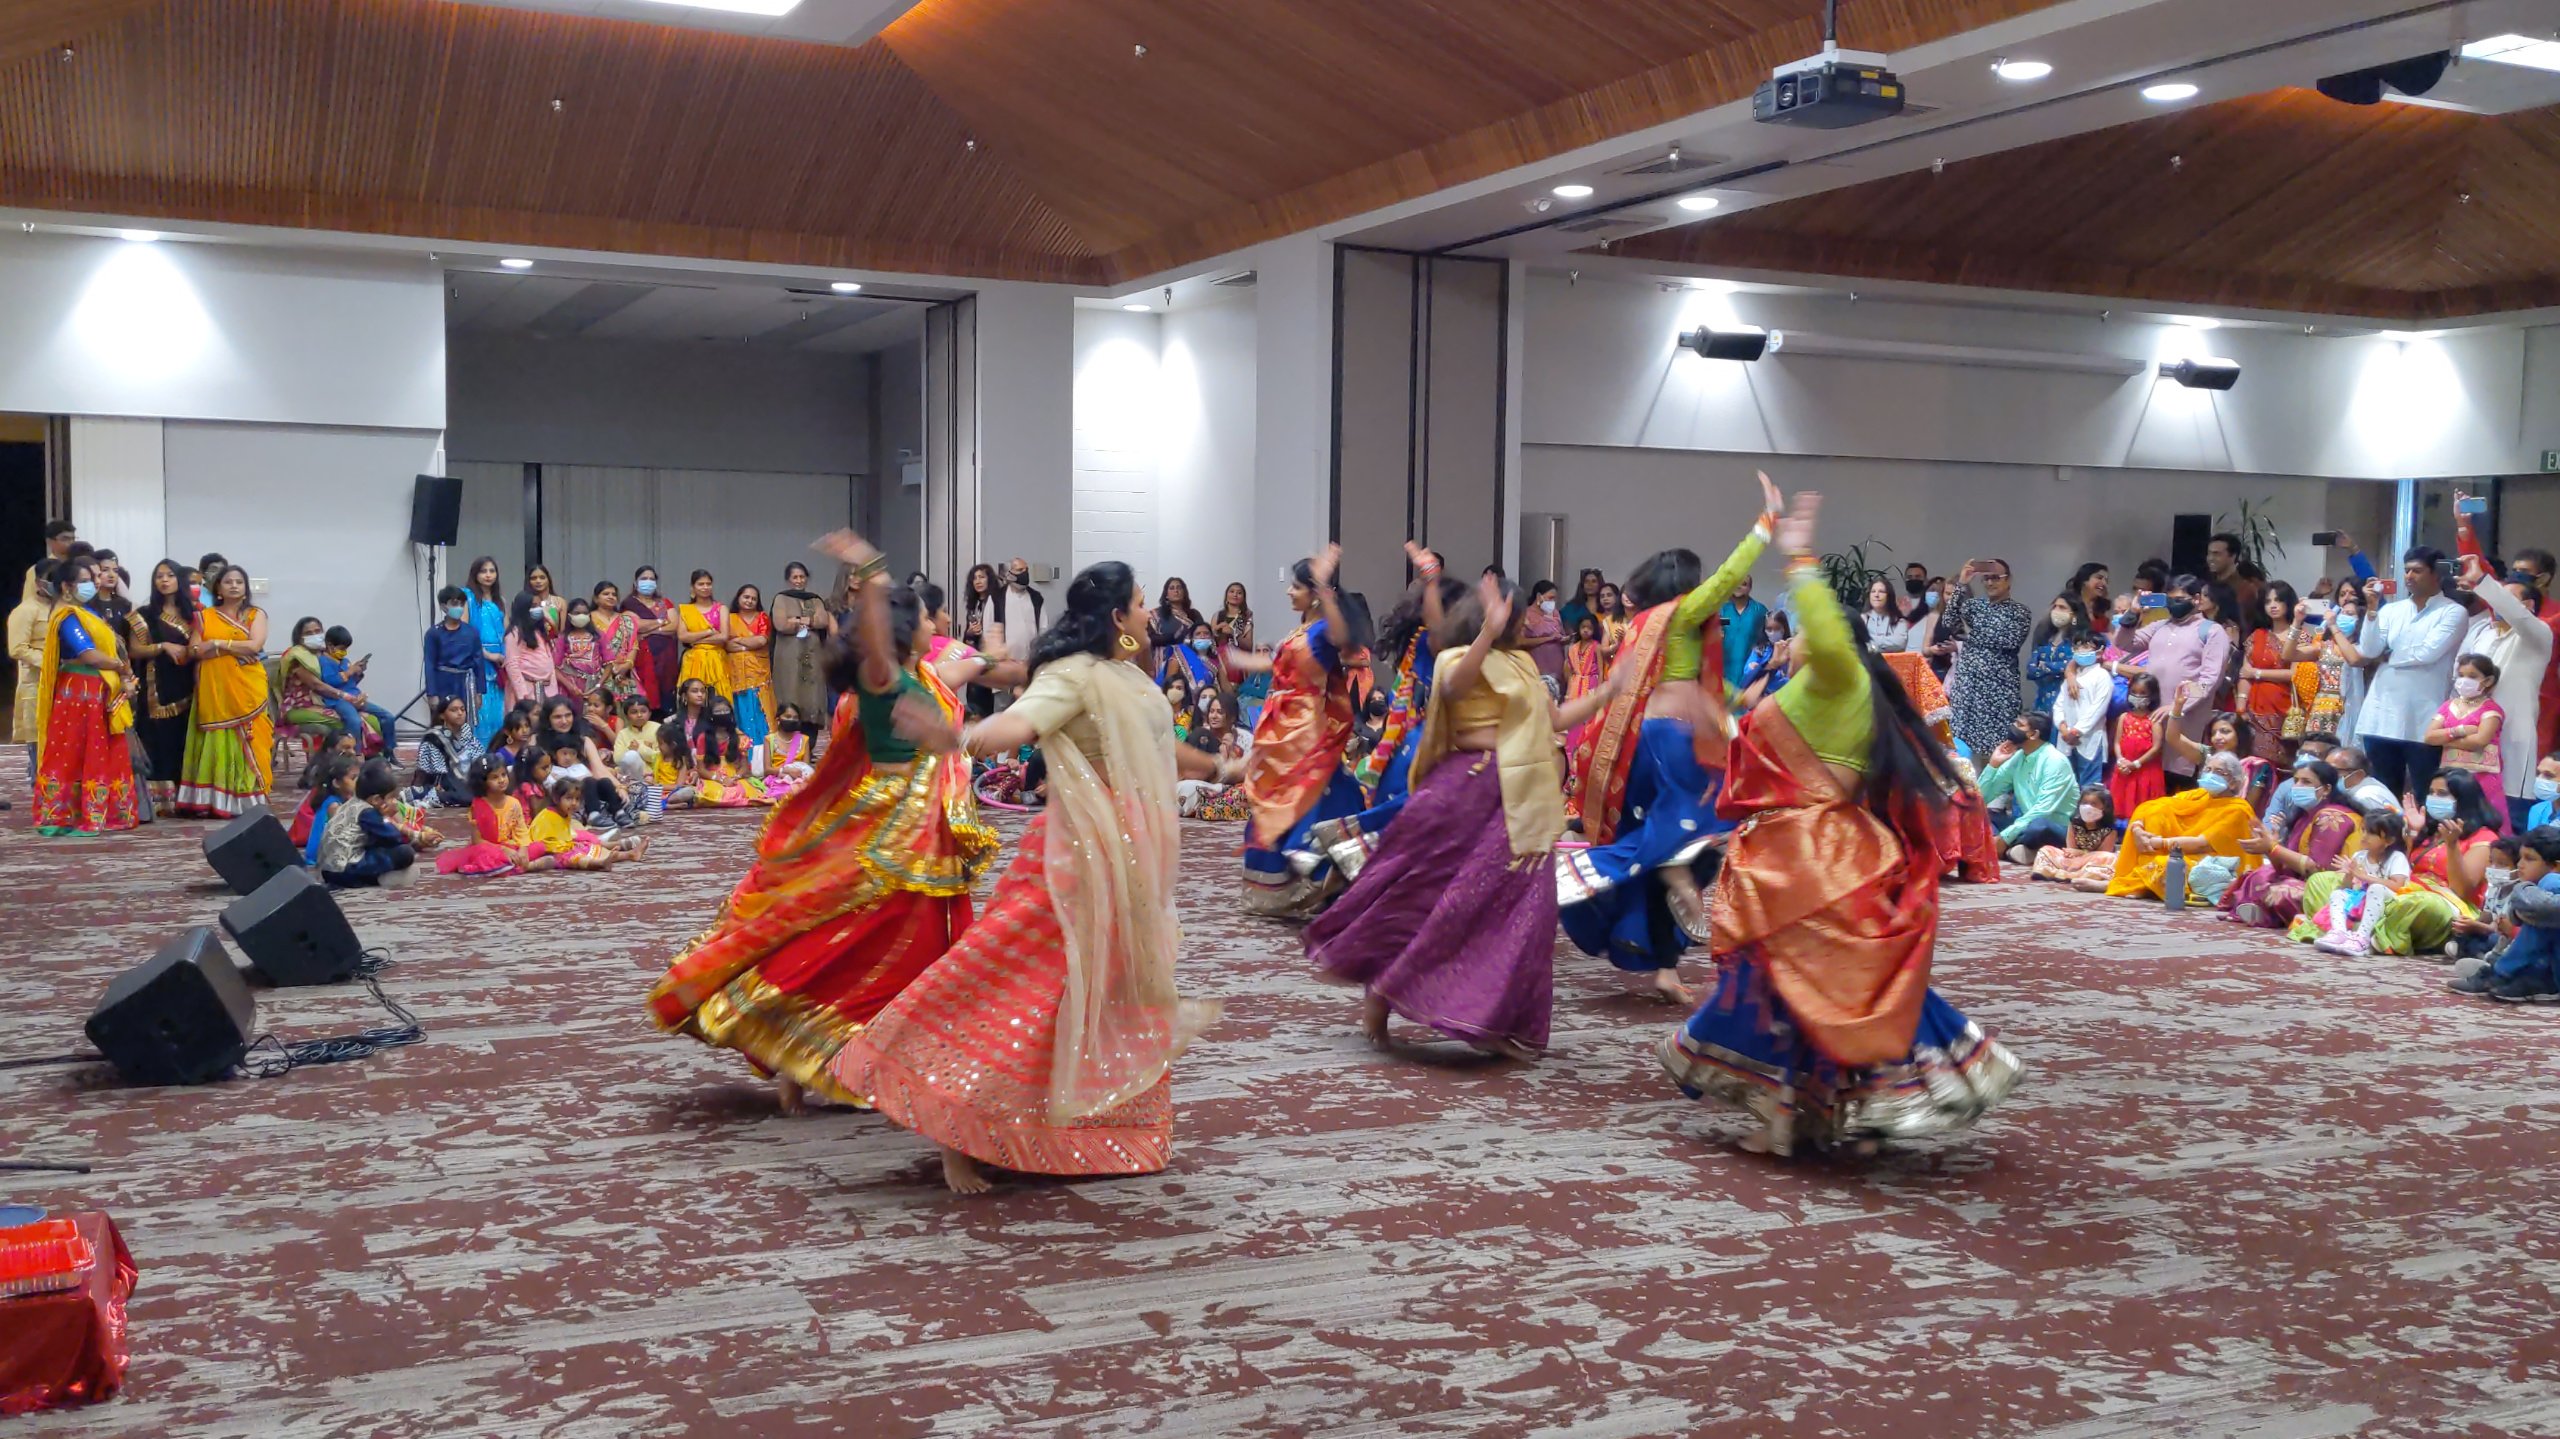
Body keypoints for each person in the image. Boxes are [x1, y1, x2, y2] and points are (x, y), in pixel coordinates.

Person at [830, 559, 1232, 1194]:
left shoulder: (1127, 675)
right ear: (1116, 617)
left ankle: (1076, 1127)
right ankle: (951, 1125)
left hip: (1128, 859)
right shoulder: (1072, 676)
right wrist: (957, 735)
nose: (1147, 614)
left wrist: (1221, 771)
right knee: (1015, 979)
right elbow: (1018, 726)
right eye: (1138, 603)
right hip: (1073, 855)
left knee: (1106, 990)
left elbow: (1156, 746)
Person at [1658, 490, 2020, 1157]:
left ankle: (1788, 1116)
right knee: (1820, 981)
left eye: (1795, 632)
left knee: (1786, 983)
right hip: (1813, 851)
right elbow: (1754, 738)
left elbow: (1824, 638)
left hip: (1810, 854)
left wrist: (1800, 554)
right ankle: (1828, 1112)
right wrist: (1707, 704)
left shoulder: (1837, 674)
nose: (1790, 640)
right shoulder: (1814, 691)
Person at [653, 538, 1002, 1112]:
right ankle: (798, 1042)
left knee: (888, 939)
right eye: (924, 620)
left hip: (917, 822)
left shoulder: (919, 674)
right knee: (874, 940)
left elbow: (956, 671)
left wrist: (995, 662)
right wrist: (865, 562)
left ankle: (830, 1055)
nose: (934, 625)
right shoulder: (884, 679)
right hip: (893, 826)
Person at [1306, 572, 1621, 1061]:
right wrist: (1488, 634)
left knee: (1524, 910)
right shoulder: (1460, 655)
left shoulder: (1521, 664)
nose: (1520, 625)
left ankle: (1491, 1016)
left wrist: (1607, 692)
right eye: (1513, 617)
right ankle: (1386, 993)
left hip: (1520, 799)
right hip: (1465, 790)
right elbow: (1451, 689)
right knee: (1437, 900)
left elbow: (1553, 721)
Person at [1562, 472, 1783, 1004]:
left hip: (1647, 742)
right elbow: (1730, 578)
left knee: (1674, 843)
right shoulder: (1683, 612)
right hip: (1676, 742)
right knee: (1702, 826)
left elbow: (1694, 680)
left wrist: (1741, 696)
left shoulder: (1646, 623)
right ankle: (1653, 868)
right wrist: (1765, 523)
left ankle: (1663, 967)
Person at [1231, 546, 1370, 919]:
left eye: (1295, 587)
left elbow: (1343, 639)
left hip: (1307, 727)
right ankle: (1309, 882)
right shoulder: (1302, 630)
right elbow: (1280, 665)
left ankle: (1318, 875)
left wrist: (1326, 588)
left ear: (1313, 593)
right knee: (1295, 794)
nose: (1288, 592)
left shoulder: (1325, 628)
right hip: (1283, 724)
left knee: (1307, 795)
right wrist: (1246, 661)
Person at [30, 558, 141, 835]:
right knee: (76, 750)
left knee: (102, 748)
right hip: (80, 694)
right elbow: (87, 654)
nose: (93, 583)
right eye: (85, 580)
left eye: (93, 578)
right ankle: (69, 815)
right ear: (67, 587)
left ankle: (106, 811)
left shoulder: (86, 613)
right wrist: (119, 666)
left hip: (97, 692)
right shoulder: (68, 616)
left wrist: (121, 671)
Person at [2356, 549, 2467, 802]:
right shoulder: (2390, 610)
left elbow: (2427, 653)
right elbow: (2369, 649)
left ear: (2435, 573)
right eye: (2406, 570)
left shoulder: (2453, 612)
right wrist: (2372, 610)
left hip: (2423, 719)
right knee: (2383, 794)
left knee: (2425, 792)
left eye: (2417, 570)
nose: (2409, 576)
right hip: (2380, 715)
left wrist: (2387, 655)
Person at [2453, 555, 2553, 832]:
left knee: (2511, 822)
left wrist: (2483, 581)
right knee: (2466, 816)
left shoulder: (2538, 635)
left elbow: (2516, 615)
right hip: (2470, 739)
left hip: (2510, 739)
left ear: (2528, 606)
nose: (2497, 605)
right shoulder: (2483, 632)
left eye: (2505, 599)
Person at [2112, 574, 2231, 790]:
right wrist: (2134, 612)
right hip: (2152, 716)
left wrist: (2176, 707)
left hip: (2187, 718)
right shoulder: (2159, 626)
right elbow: (2123, 642)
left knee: (2180, 777)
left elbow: (2209, 680)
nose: (2173, 604)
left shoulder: (2212, 631)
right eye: (2170, 599)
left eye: (2179, 598)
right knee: (2149, 775)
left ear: (2195, 599)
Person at [176, 564, 273, 817]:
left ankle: (248, 798)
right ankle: (216, 800)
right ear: (218, 588)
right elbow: (193, 650)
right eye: (228, 581)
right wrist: (223, 648)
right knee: (216, 739)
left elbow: (254, 646)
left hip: (247, 686)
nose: (233, 586)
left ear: (245, 588)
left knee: (250, 738)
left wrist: (217, 644)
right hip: (214, 686)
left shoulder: (255, 615)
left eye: (239, 582)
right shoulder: (205, 616)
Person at [2222, 759, 2364, 930]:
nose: (2298, 786)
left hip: (2341, 887)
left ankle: (2267, 914)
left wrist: (2273, 847)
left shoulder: (2332, 816)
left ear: (2326, 789)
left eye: (2306, 782)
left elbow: (2317, 869)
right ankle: (2264, 911)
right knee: (2259, 874)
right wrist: (2271, 849)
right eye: (2296, 780)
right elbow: (2288, 869)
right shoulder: (2304, 816)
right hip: (2309, 880)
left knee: (2283, 891)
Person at [2106, 751, 2261, 902]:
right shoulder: (2198, 796)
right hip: (2177, 852)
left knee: (2168, 866)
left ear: (2233, 782)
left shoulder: (2237, 809)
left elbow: (2201, 844)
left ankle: (2137, 885)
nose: (2210, 774)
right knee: (2157, 813)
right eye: (2207, 770)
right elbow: (2151, 807)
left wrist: (2159, 843)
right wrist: (2137, 829)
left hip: (2210, 864)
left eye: (2218, 771)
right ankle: (2138, 884)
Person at [2449, 825, 2560, 1000]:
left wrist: (2521, 889)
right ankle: (2512, 973)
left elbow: (2537, 906)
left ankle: (2502, 972)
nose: (2520, 864)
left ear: (2555, 866)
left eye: (2529, 859)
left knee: (2548, 890)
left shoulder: (2552, 879)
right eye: (2521, 858)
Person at [124, 559, 197, 812]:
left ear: (180, 579)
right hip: (157, 687)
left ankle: (186, 799)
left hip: (189, 683)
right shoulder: (145, 615)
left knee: (185, 738)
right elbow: (134, 650)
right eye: (159, 576)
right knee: (158, 738)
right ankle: (157, 802)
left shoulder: (194, 614)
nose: (164, 580)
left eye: (169, 575)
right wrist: (163, 646)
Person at [1946, 558, 2032, 762]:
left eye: (1996, 578)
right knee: (1961, 748)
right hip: (1968, 688)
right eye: (1986, 579)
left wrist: (1970, 634)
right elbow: (1949, 622)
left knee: (1998, 751)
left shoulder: (2019, 612)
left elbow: (2008, 640)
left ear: (2008, 580)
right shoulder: (1974, 606)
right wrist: (1962, 585)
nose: (1990, 583)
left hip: (1998, 690)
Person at [1977, 712, 2078, 864]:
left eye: (2019, 725)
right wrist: (1993, 765)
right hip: (2025, 823)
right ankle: (2019, 850)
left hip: (2056, 828)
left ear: (2033, 734)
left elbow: (2042, 810)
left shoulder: (2055, 761)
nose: (2013, 728)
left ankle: (2008, 847)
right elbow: (1982, 797)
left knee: (2038, 826)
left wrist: (2004, 838)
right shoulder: (2018, 757)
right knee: (1980, 813)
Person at [2425, 653, 2507, 828]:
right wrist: (2461, 730)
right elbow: (2429, 737)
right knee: (2449, 819)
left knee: (2482, 821)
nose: (2464, 680)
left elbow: (2479, 741)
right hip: (2450, 775)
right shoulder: (2449, 705)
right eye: (2461, 675)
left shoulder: (2491, 709)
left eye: (2472, 676)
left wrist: (2445, 739)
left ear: (2488, 680)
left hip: (2482, 776)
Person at [317, 761, 418, 888]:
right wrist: (387, 816)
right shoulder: (368, 812)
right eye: (391, 798)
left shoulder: (351, 803)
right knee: (405, 853)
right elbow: (394, 837)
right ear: (376, 800)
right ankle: (376, 879)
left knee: (379, 845)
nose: (395, 802)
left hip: (328, 871)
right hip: (345, 871)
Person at [2238, 582, 2307, 761]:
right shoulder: (2257, 636)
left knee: (2280, 760)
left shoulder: (2301, 636)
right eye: (2268, 602)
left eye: (2278, 600)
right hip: (2253, 709)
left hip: (2284, 709)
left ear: (2289, 603)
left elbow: (2294, 674)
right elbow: (2245, 673)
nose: (2273, 605)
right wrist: (2240, 705)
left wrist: (2258, 673)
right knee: (2254, 761)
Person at [769, 561, 832, 734]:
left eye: (802, 577)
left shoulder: (814, 599)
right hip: (789, 655)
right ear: (788, 580)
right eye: (795, 577)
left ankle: (808, 744)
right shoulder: (781, 598)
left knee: (812, 695)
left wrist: (797, 620)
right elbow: (781, 624)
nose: (798, 580)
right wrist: (807, 621)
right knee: (790, 692)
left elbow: (822, 621)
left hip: (812, 655)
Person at [528, 776, 641, 871]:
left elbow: (564, 835)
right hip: (551, 853)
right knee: (575, 856)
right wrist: (568, 847)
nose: (574, 803)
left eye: (577, 799)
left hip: (563, 846)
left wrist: (572, 844)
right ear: (556, 799)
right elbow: (543, 843)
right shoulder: (547, 816)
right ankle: (600, 863)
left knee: (587, 846)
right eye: (569, 798)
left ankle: (629, 854)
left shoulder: (563, 813)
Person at [319, 626, 396, 752]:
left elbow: (352, 683)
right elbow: (329, 682)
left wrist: (359, 672)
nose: (344, 652)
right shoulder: (324, 661)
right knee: (354, 721)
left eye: (346, 649)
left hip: (355, 697)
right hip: (338, 700)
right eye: (342, 648)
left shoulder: (344, 661)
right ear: (330, 645)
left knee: (388, 717)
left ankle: (389, 751)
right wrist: (349, 672)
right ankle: (356, 754)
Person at [2028, 785, 2120, 887]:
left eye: (2093, 804)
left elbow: (2103, 853)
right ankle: (2056, 873)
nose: (2088, 807)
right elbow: (2070, 849)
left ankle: (2064, 874)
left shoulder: (2110, 830)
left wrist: (2082, 853)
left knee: (2109, 858)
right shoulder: (2074, 823)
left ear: (2104, 807)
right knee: (2046, 850)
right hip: (2073, 860)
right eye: (2084, 803)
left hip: (2093, 861)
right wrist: (2072, 855)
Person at [2052, 633, 2111, 789]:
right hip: (2065, 736)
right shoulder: (2071, 677)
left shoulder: (2102, 676)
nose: (2080, 651)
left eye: (2086, 647)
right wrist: (2063, 728)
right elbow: (2058, 705)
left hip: (2090, 736)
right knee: (2066, 782)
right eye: (2077, 647)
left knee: (2089, 784)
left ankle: (2086, 813)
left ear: (2099, 651)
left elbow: (2098, 709)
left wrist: (2077, 731)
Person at [423, 584, 484, 724]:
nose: (459, 608)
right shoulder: (434, 633)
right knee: (442, 723)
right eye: (455, 603)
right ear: (444, 606)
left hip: (466, 683)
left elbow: (479, 663)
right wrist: (432, 693)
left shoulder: (472, 632)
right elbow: (430, 664)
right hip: (443, 682)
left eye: (462, 604)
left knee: (465, 724)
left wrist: (479, 691)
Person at [622, 565, 679, 711]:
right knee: (645, 697)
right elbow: (637, 626)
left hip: (667, 659)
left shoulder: (665, 603)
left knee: (666, 697)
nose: (648, 582)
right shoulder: (629, 604)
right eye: (644, 579)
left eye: (652, 579)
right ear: (635, 583)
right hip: (642, 657)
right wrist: (662, 621)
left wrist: (650, 630)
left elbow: (674, 626)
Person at [464, 556, 509, 742]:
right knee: (479, 714)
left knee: (498, 715)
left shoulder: (500, 601)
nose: (488, 575)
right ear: (475, 574)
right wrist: (489, 655)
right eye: (483, 571)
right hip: (477, 661)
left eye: (492, 571)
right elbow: (464, 633)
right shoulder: (467, 598)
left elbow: (507, 632)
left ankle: (495, 757)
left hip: (499, 664)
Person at [409, 694, 482, 807]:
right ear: (442, 715)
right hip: (445, 783)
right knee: (470, 798)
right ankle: (435, 797)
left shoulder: (467, 733)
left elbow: (480, 758)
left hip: (470, 781)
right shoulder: (434, 738)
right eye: (454, 710)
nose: (460, 713)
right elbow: (437, 773)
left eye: (462, 709)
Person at [725, 583, 774, 746]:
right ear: (738, 598)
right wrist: (749, 644)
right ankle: (744, 754)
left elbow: (761, 640)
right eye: (746, 597)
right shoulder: (729, 618)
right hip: (736, 676)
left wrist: (738, 641)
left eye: (754, 598)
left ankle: (763, 754)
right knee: (740, 712)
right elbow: (726, 645)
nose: (750, 601)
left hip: (758, 676)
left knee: (761, 713)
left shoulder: (762, 617)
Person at [676, 570, 730, 703]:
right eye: (701, 584)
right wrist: (707, 632)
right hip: (694, 661)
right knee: (692, 697)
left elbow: (723, 636)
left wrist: (695, 639)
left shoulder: (721, 608)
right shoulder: (686, 610)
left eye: (708, 584)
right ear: (693, 587)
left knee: (718, 697)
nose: (705, 587)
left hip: (716, 659)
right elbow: (682, 637)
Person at [502, 588, 559, 706]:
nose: (538, 610)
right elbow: (512, 665)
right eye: (533, 606)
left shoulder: (539, 631)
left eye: (539, 606)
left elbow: (550, 661)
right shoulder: (515, 633)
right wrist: (522, 695)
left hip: (547, 689)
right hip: (527, 689)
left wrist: (548, 619)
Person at [1716, 572, 1770, 694]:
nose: (1739, 587)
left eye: (1744, 584)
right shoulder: (1721, 609)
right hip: (1725, 666)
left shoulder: (1759, 610)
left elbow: (1768, 637)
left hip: (1749, 665)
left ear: (1750, 588)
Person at [2025, 594, 2078, 716]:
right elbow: (2031, 671)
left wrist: (2045, 665)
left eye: (2062, 607)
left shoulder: (2078, 642)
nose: (2057, 611)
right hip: (2041, 703)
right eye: (2055, 607)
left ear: (2074, 614)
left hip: (2066, 703)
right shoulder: (2045, 638)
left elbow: (2073, 666)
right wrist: (2058, 668)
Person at [2205, 532, 2266, 637]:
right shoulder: (2207, 585)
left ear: (2233, 556)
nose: (2210, 558)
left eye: (2216, 554)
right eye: (2209, 553)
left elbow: (2251, 625)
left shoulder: (2248, 588)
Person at [759, 702, 816, 801]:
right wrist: (786, 771)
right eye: (788, 716)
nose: (792, 720)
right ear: (778, 719)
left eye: (795, 717)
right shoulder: (769, 739)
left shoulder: (804, 739)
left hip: (799, 779)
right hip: (777, 778)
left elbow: (805, 767)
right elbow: (767, 770)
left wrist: (797, 775)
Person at [2327, 745, 2399, 818]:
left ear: (2358, 774)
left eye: (2333, 771)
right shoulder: (2366, 786)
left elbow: (2384, 827)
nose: (2326, 774)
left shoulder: (2365, 797)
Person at [1858, 577, 1910, 653]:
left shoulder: (1899, 621)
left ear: (1889, 596)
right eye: (1873, 591)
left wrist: (1869, 640)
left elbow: (1900, 643)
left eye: (1881, 591)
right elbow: (1857, 644)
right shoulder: (1862, 619)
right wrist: (1887, 642)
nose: (1876, 595)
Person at [1211, 582, 1255, 652]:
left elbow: (1249, 646)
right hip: (1221, 657)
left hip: (1241, 658)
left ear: (1244, 597)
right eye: (1232, 591)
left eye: (1239, 593)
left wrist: (1233, 633)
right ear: (1226, 595)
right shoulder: (1218, 615)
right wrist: (1216, 630)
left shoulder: (1248, 616)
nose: (1235, 595)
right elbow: (1211, 641)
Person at [1561, 567, 1605, 633]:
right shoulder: (1571, 608)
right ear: (1582, 585)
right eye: (1586, 581)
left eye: (1594, 581)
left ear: (1600, 584)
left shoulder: (1607, 607)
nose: (1590, 585)